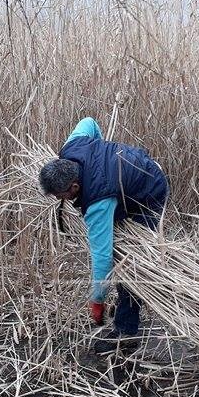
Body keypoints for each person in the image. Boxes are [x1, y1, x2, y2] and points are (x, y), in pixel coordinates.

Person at [38, 117, 168, 355]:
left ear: (75, 187)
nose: (59, 200)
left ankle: (126, 331)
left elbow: (102, 258)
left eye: (59, 196)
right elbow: (90, 121)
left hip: (150, 190)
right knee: (114, 231)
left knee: (130, 263)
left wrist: (97, 300)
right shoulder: (72, 146)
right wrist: (101, 152)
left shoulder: (99, 202)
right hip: (126, 177)